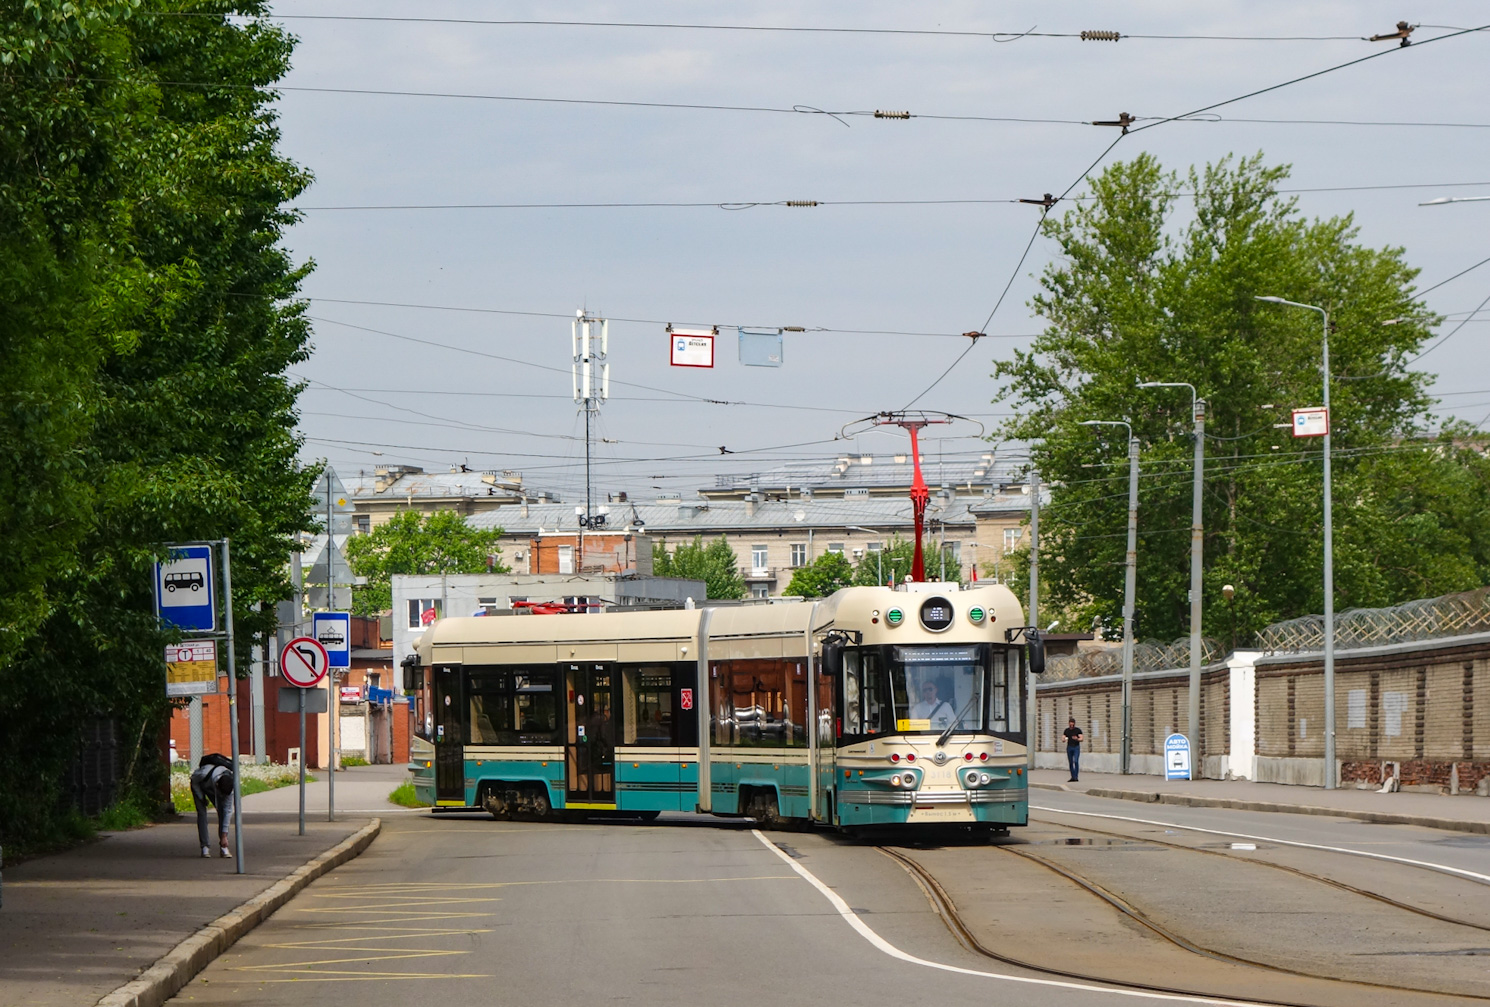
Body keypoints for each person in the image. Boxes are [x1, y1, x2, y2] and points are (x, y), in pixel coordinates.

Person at [190, 753, 236, 858]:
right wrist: (201, 797)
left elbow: (228, 811)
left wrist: (224, 835)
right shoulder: (203, 773)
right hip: (200, 786)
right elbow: (193, 780)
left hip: (214, 788)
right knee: (202, 813)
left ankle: (223, 846)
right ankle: (205, 847)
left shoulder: (230, 787)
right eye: (221, 794)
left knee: (223, 812)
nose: (222, 797)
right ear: (217, 785)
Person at [1063, 717, 1084, 782]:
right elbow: (1063, 737)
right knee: (1071, 762)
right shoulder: (1067, 730)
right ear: (1069, 724)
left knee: (1076, 761)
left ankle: (1076, 776)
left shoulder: (1078, 730)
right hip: (1069, 747)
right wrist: (1063, 739)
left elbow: (1082, 738)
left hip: (1076, 747)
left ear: (1074, 724)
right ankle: (1073, 776)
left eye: (1072, 724)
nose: (1071, 726)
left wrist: (1077, 739)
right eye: (1070, 724)